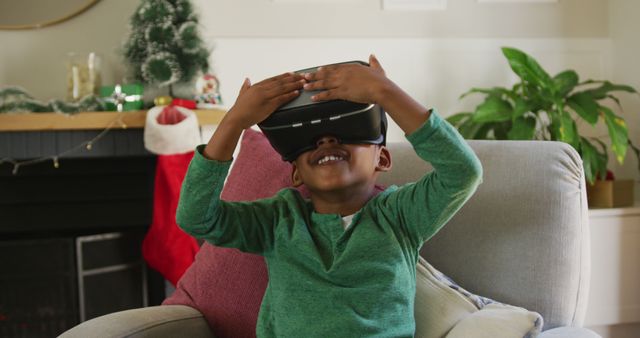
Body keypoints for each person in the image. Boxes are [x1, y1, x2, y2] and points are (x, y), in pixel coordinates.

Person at [176, 55, 483, 337]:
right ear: (296, 174)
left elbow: (462, 173)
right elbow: (197, 217)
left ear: (383, 160)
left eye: (348, 133)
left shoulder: (400, 216)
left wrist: (385, 93)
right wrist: (234, 121)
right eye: (309, 142)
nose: (326, 139)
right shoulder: (279, 219)